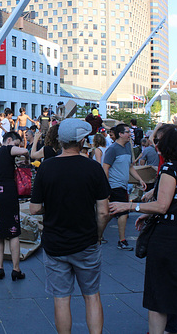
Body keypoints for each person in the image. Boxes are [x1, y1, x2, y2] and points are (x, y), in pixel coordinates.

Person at [110, 126, 177, 334]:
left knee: (159, 294)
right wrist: (150, 212)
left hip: (168, 239)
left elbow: (162, 205)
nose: (157, 146)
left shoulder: (170, 169)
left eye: (160, 143)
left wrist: (131, 206)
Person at [30, 118, 110, 334]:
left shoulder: (46, 168)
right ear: (83, 140)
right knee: (92, 295)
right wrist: (99, 234)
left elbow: (34, 208)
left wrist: (55, 207)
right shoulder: (93, 168)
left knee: (61, 298)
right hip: (86, 242)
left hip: (55, 243)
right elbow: (103, 211)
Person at [0, 131, 30, 280]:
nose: (17, 147)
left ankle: (0, 267)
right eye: (16, 143)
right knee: (13, 231)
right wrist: (26, 157)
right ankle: (16, 269)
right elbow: (25, 150)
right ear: (9, 140)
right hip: (8, 190)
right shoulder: (8, 149)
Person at [101, 123, 147, 251]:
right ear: (120, 134)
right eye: (127, 132)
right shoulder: (113, 149)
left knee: (110, 213)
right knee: (123, 212)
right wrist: (106, 187)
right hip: (115, 186)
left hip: (123, 186)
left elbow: (130, 166)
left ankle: (97, 235)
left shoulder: (127, 147)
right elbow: (105, 168)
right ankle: (122, 241)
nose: (130, 134)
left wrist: (140, 179)